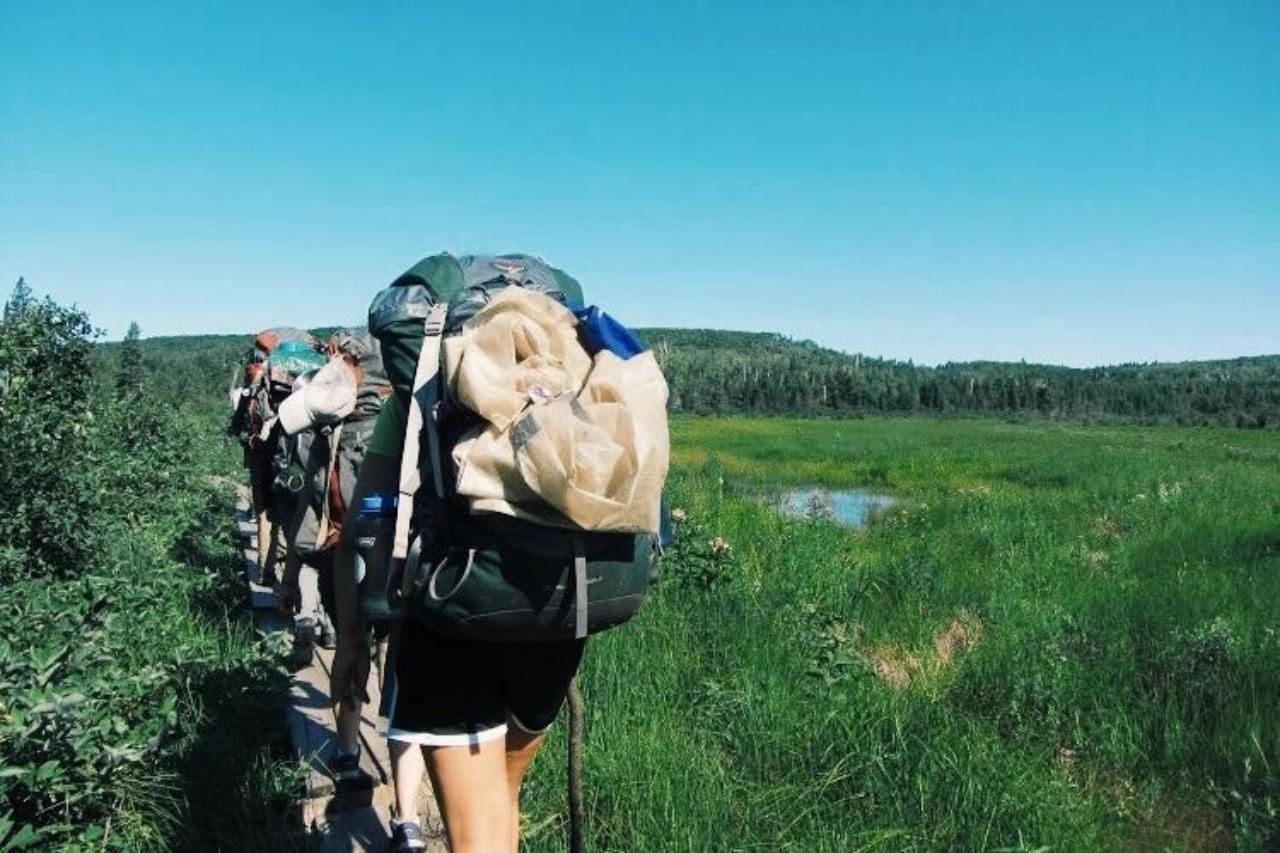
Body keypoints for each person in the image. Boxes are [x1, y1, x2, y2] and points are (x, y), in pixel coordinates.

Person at [278, 329, 392, 789]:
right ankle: (400, 758)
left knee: (350, 646)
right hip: (397, 552)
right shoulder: (404, 420)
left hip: (340, 547)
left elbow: (311, 498)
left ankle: (347, 753)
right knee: (390, 651)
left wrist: (289, 576)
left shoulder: (330, 425)